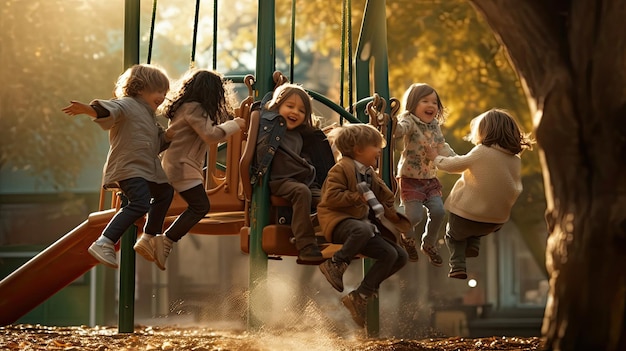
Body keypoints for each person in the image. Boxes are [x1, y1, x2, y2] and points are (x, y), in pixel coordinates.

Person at [61, 64, 174, 269]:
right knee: (139, 203)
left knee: (165, 192)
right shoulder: (127, 104)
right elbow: (108, 110)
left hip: (146, 170)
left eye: (164, 93)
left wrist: (172, 134)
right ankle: (104, 241)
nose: (162, 97)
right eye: (159, 91)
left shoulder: (149, 116)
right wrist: (88, 110)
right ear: (140, 89)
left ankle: (149, 236)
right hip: (129, 167)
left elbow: (157, 143)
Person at [317, 123, 411, 328]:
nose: (379, 151)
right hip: (338, 222)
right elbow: (330, 197)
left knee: (396, 255)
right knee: (365, 229)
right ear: (359, 149)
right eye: (375, 147)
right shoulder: (341, 169)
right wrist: (356, 196)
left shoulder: (368, 172)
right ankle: (336, 263)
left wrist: (390, 208)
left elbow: (384, 194)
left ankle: (360, 295)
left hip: (361, 227)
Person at [154, 69, 247, 270]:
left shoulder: (185, 107)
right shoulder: (194, 108)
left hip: (179, 164)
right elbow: (211, 135)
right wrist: (235, 124)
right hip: (181, 166)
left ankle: (157, 238)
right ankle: (165, 240)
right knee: (200, 206)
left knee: (196, 205)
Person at [426, 108, 534, 279]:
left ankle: (457, 266)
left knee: (453, 235)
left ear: (485, 132)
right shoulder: (515, 159)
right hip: (494, 222)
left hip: (467, 216)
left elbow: (455, 165)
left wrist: (435, 158)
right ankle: (473, 245)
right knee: (475, 227)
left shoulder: (482, 151)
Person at [251, 83, 334, 262]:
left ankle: (314, 231)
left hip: (303, 180)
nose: (295, 112)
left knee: (330, 200)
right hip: (280, 180)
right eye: (290, 106)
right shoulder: (271, 129)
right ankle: (305, 245)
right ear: (277, 107)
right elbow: (262, 113)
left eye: (301, 110)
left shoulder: (300, 136)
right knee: (301, 192)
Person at [393, 83, 456, 266]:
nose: (431, 105)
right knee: (414, 216)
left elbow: (441, 146)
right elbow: (399, 130)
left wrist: (457, 159)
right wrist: (390, 122)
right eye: (425, 101)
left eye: (434, 102)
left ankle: (429, 244)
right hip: (410, 179)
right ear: (413, 104)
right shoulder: (409, 120)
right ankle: (407, 238)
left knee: (439, 211)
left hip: (429, 180)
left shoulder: (434, 125)